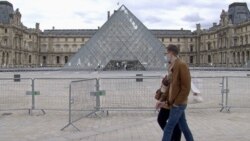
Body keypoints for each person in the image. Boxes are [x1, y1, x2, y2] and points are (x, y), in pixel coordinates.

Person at [156, 44, 194, 141]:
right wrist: (163, 100)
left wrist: (177, 103)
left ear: (171, 53)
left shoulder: (182, 65)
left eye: (166, 53)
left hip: (178, 104)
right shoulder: (172, 66)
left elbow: (186, 87)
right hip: (174, 103)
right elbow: (170, 87)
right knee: (184, 128)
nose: (166, 55)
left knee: (168, 128)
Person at [155, 75, 181, 141]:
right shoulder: (171, 69)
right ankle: (173, 137)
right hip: (168, 101)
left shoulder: (178, 68)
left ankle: (173, 137)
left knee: (175, 123)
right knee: (174, 122)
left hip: (173, 102)